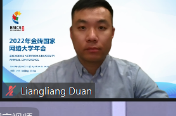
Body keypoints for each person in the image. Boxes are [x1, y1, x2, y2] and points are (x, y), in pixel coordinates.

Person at [30, 0, 167, 98]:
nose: (92, 37)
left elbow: (166, 112)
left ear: (112, 32)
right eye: (82, 28)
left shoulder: (132, 75)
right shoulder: (52, 77)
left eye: (101, 27)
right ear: (71, 33)